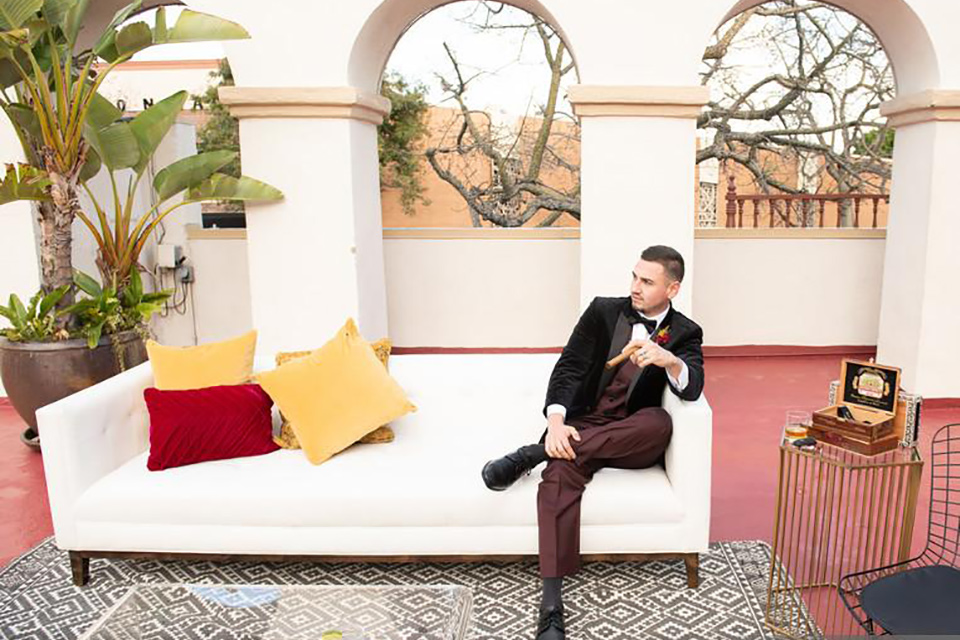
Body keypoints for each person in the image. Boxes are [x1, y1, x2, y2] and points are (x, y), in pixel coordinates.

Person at [481, 245, 705, 640]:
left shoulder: (684, 331)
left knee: (659, 422)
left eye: (647, 281)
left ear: (672, 289)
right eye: (634, 276)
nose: (635, 287)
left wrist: (668, 359)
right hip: (585, 423)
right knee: (559, 475)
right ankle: (551, 606)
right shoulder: (603, 311)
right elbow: (569, 367)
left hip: (633, 434)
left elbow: (692, 387)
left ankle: (529, 455)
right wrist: (555, 424)